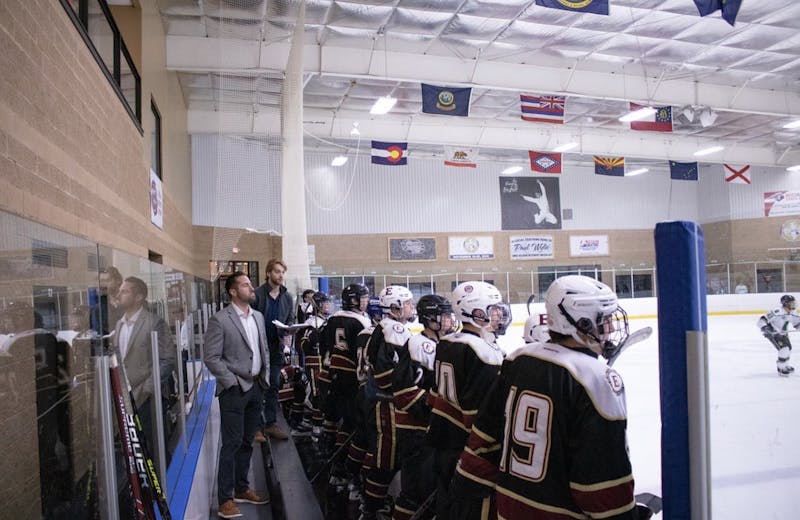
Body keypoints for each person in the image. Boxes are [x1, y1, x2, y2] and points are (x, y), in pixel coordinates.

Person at [453, 275, 653, 520]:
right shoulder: (596, 379)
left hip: (508, 507)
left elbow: (485, 434)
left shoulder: (518, 359)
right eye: (603, 320)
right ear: (581, 323)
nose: (610, 328)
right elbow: (600, 480)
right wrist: (624, 515)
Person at [426, 282, 509, 519]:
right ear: (477, 312)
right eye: (493, 309)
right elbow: (482, 415)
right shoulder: (483, 352)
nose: (499, 314)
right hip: (467, 448)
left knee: (447, 505)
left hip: (443, 438)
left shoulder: (448, 342)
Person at [204, 271, 271, 519]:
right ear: (233, 291)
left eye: (251, 285)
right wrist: (231, 381)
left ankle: (242, 488)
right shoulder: (220, 320)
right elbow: (211, 357)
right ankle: (225, 500)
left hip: (256, 387)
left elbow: (261, 348)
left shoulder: (258, 317)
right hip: (234, 390)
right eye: (245, 285)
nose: (251, 288)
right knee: (230, 444)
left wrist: (264, 377)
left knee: (246, 441)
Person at [390, 294, 455, 520]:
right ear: (430, 319)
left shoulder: (442, 344)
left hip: (429, 432)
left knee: (429, 490)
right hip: (416, 432)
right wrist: (432, 411)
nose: (449, 321)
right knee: (415, 493)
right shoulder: (419, 344)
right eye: (444, 316)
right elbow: (404, 390)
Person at [360, 285, 417, 520]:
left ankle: (371, 502)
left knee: (385, 457)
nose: (412, 307)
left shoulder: (387, 327)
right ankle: (371, 508)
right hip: (387, 405)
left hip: (383, 402)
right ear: (394, 308)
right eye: (408, 303)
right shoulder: (394, 329)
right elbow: (387, 376)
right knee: (386, 459)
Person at [113, 276, 176, 439]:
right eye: (119, 291)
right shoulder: (119, 325)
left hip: (149, 399)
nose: (118, 295)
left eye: (124, 292)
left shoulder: (155, 323)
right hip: (126, 398)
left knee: (154, 448)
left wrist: (146, 389)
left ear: (139, 297)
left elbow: (168, 360)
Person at [252, 259, 295, 440]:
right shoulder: (257, 295)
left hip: (276, 346)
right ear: (269, 273)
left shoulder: (287, 297)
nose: (280, 275)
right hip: (259, 347)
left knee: (274, 385)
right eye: (277, 271)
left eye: (282, 272)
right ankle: (255, 427)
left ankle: (270, 424)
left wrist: (289, 330)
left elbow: (291, 319)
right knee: (257, 386)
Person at [758, 294, 799, 376]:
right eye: (791, 303)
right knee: (784, 349)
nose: (793, 304)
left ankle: (785, 365)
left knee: (789, 349)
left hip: (783, 333)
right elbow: (762, 320)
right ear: (785, 303)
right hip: (774, 333)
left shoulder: (793, 312)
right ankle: (781, 368)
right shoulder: (777, 311)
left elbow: (797, 323)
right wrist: (765, 328)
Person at [90, 266, 122, 336]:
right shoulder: (98, 308)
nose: (102, 284)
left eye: (107, 280)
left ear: (118, 281)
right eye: (101, 281)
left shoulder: (128, 301)